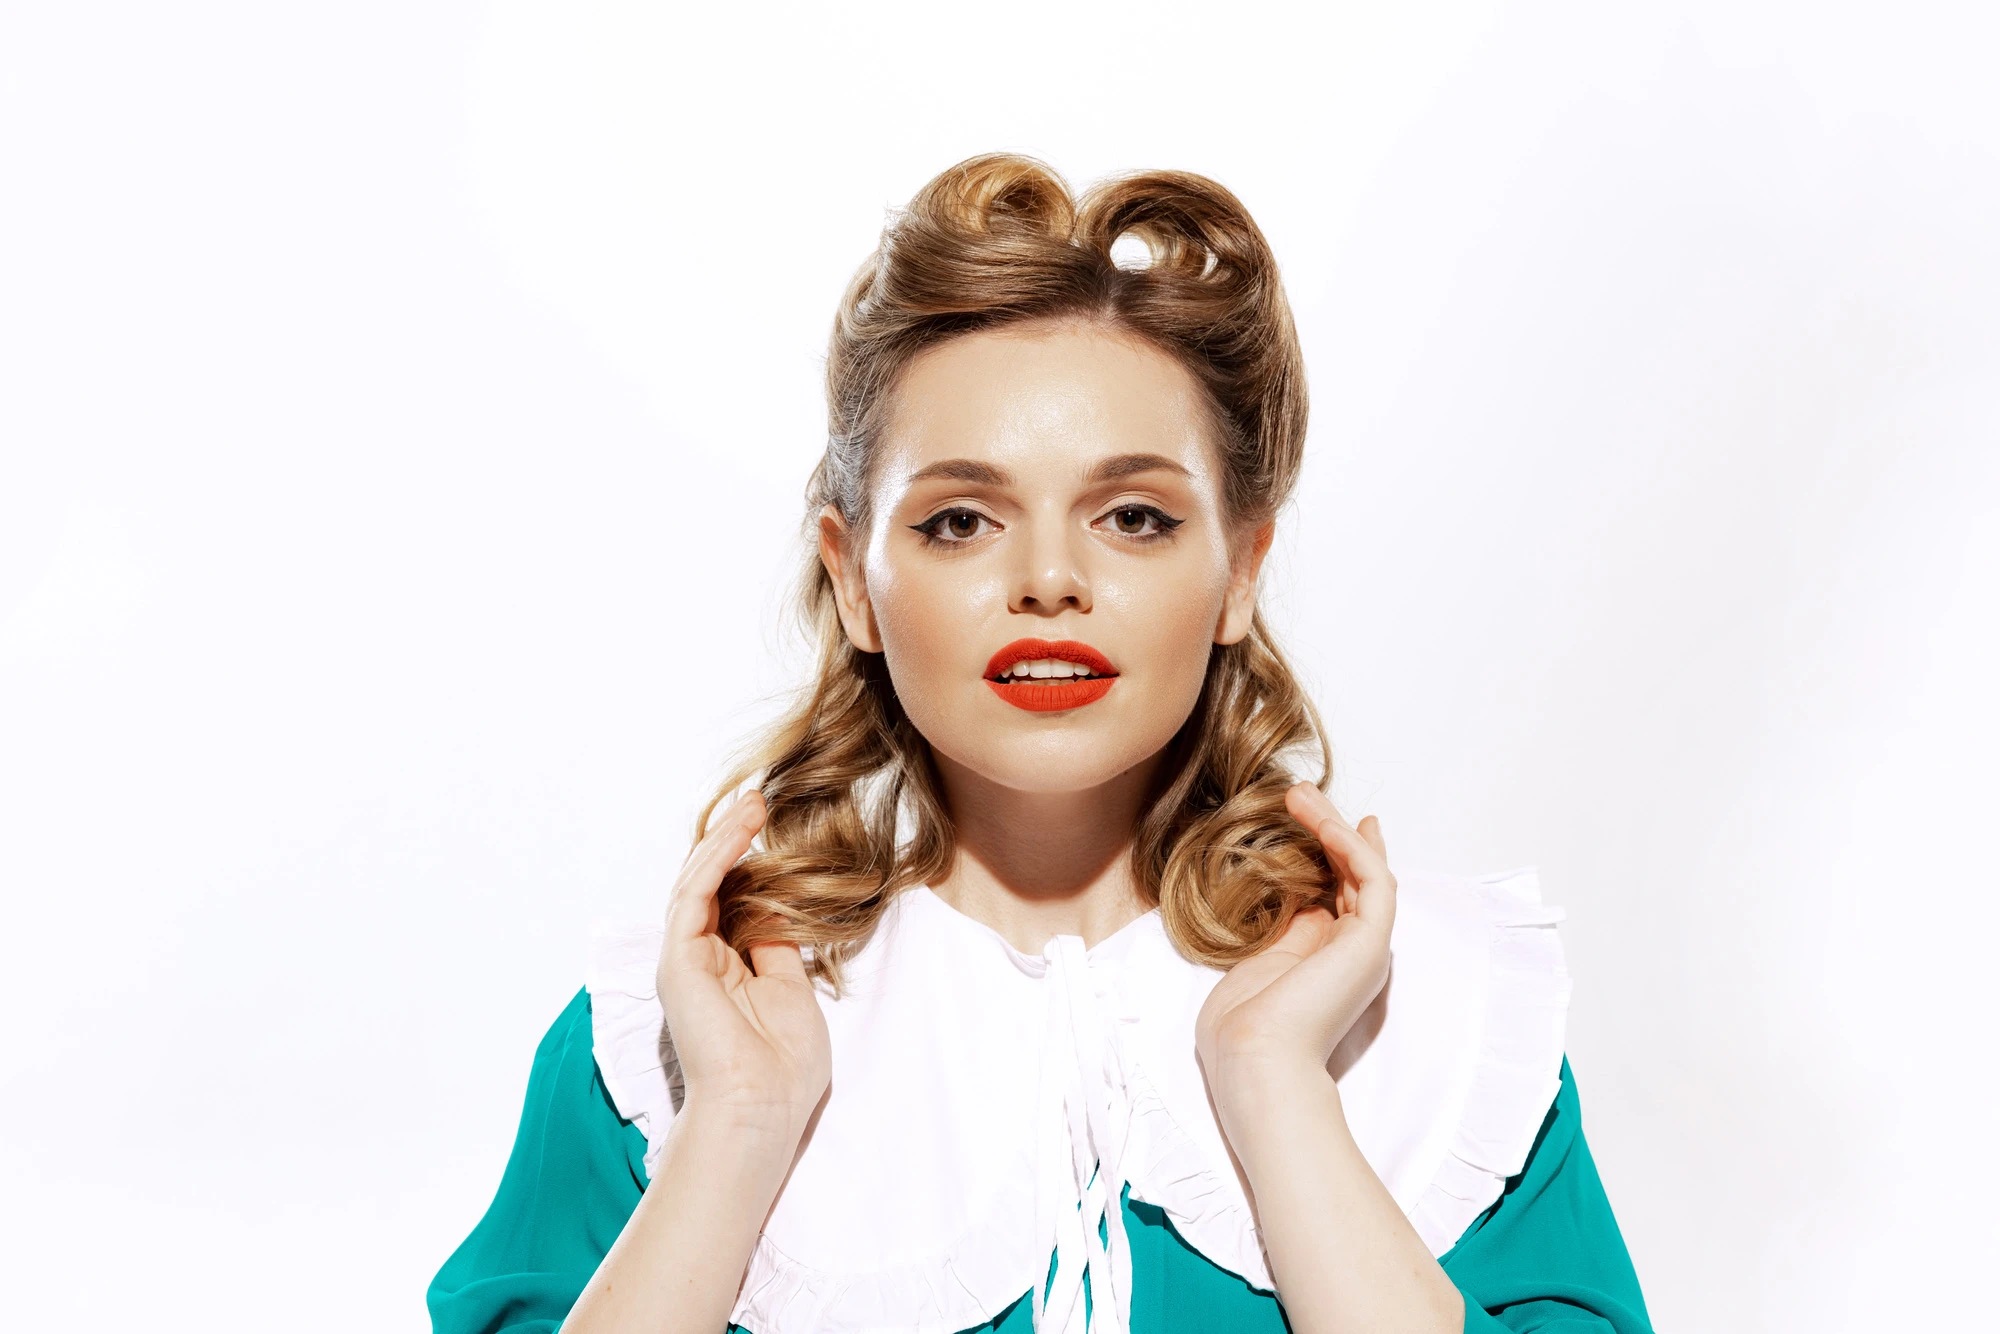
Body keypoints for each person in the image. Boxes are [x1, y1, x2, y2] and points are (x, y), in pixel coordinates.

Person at [426, 154, 1653, 1334]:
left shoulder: (1443, 1018)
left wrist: (1276, 1085)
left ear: (1239, 570)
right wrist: (740, 1121)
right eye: (961, 518)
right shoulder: (669, 1035)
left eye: (1133, 516)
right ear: (853, 579)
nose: (1050, 578)